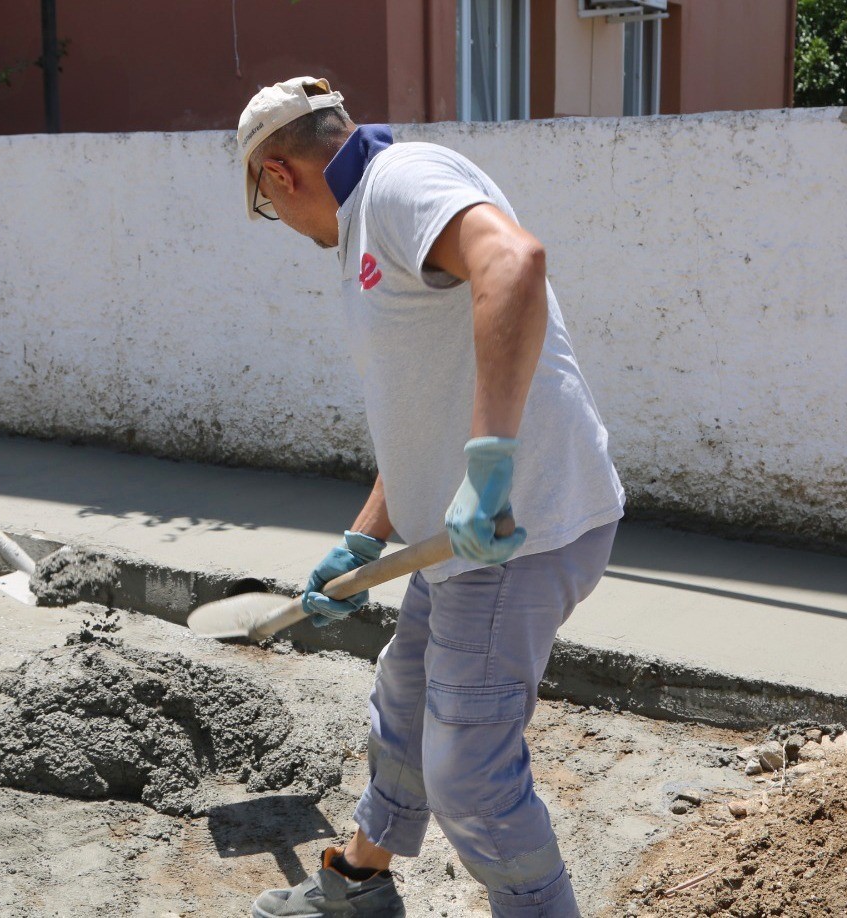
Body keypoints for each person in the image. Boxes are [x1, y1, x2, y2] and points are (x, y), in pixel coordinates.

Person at [238, 78, 625, 917]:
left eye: (269, 206)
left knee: (470, 777)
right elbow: (423, 407)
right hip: (460, 540)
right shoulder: (370, 222)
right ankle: (359, 883)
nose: (287, 228)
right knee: (403, 702)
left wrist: (489, 470)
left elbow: (514, 263)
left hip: (515, 530)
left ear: (278, 174)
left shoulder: (401, 183)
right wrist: (365, 536)